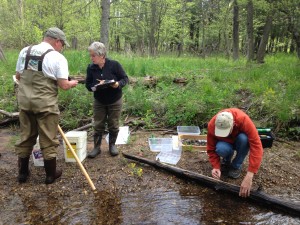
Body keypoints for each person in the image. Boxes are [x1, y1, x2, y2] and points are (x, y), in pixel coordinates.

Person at [15, 27, 78, 184]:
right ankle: (50, 175)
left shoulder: (24, 51)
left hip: (24, 102)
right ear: (57, 41)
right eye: (62, 45)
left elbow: (18, 76)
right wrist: (73, 83)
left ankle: (23, 173)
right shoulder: (57, 57)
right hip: (45, 104)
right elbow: (63, 85)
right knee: (48, 138)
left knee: (26, 136)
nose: (62, 48)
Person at [206, 108, 263, 197]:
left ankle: (236, 166)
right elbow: (210, 148)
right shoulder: (212, 124)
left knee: (244, 139)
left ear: (233, 124)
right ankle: (226, 160)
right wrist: (216, 166)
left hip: (239, 142)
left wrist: (250, 175)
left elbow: (256, 146)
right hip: (224, 143)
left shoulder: (243, 119)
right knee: (220, 149)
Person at [85, 42, 128, 158]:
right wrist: (95, 86)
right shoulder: (91, 68)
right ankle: (96, 147)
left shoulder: (114, 65)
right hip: (99, 101)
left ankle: (112, 145)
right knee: (98, 124)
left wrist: (117, 84)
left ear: (102, 55)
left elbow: (125, 78)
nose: (91, 58)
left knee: (113, 124)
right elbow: (88, 85)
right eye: (91, 55)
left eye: (93, 55)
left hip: (115, 100)